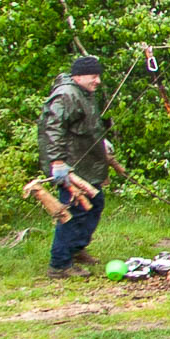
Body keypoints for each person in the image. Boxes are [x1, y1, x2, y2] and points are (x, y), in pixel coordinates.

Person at [37, 55, 113, 278]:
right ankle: (59, 264)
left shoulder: (84, 93)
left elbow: (87, 125)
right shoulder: (65, 95)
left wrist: (101, 141)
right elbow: (53, 130)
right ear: (78, 76)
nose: (98, 81)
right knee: (73, 212)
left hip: (87, 163)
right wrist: (58, 163)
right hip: (70, 165)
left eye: (98, 76)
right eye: (93, 76)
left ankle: (76, 249)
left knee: (95, 204)